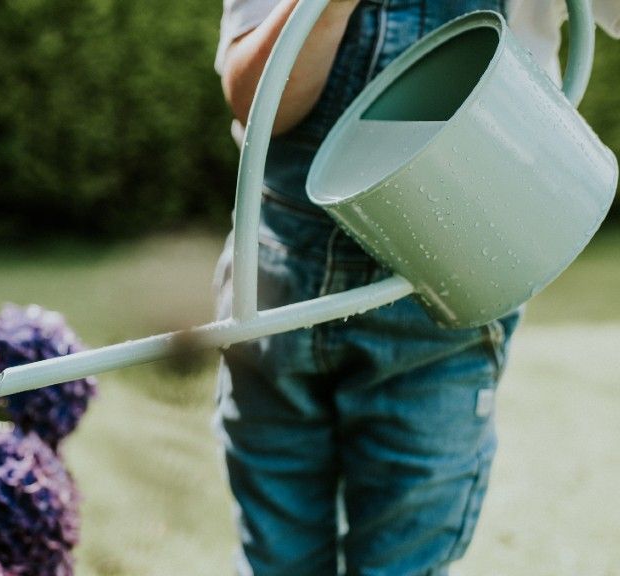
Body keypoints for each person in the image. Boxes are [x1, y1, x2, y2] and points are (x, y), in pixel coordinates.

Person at [212, 1, 620, 575]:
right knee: (278, 557)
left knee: (401, 560)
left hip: (443, 295)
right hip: (281, 296)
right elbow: (257, 101)